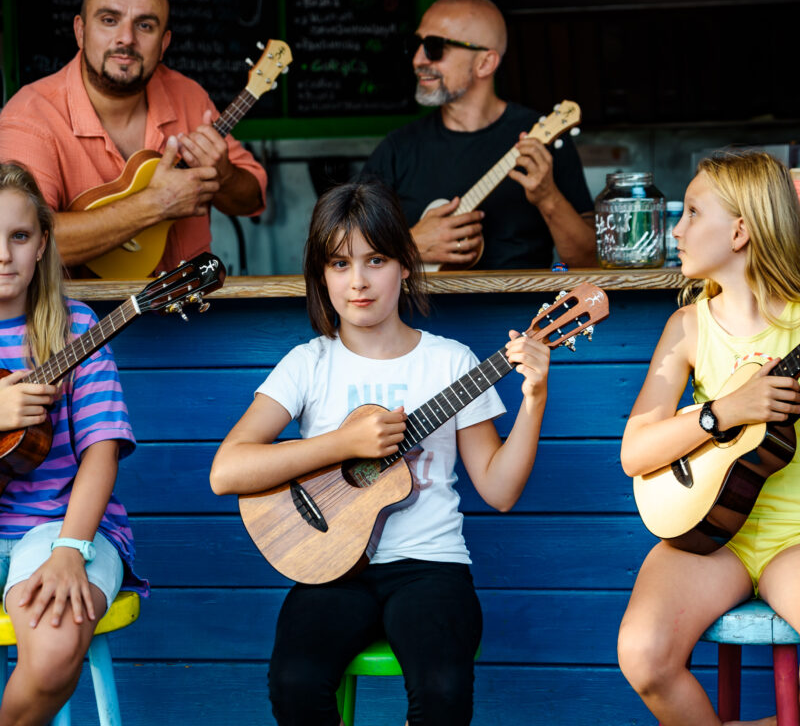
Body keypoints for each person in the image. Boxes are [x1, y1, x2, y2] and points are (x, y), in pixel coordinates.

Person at [209, 179, 550, 724]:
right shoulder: (309, 364)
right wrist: (342, 443)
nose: (359, 282)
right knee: (294, 683)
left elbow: (500, 489)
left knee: (441, 689)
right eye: (340, 265)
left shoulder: (452, 363)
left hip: (431, 567)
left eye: (377, 260)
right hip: (331, 568)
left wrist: (533, 399)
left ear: (405, 265)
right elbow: (227, 471)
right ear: (322, 275)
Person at [616, 150, 800, 726]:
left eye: (693, 212)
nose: (676, 228)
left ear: (741, 230)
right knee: (644, 656)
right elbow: (635, 453)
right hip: (712, 538)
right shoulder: (689, 327)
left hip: (795, 537)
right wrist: (721, 411)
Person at [0, 0, 267, 276]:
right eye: (109, 20)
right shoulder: (30, 115)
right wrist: (155, 204)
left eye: (145, 26)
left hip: (191, 306)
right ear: (81, 32)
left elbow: (251, 200)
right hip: (86, 317)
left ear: (164, 43)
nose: (126, 39)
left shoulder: (188, 96)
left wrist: (224, 174)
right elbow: (20, 240)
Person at [0, 162, 146, 725]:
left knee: (57, 646)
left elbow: (101, 454)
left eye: (19, 236)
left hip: (62, 527)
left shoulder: (75, 330)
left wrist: (70, 550)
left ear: (41, 246)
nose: (5, 254)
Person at [361, 0, 596, 271]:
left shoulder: (542, 141)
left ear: (485, 63)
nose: (417, 59)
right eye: (415, 45)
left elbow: (589, 262)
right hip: (420, 315)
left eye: (434, 47)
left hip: (525, 313)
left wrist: (548, 198)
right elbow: (338, 249)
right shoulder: (398, 149)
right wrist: (408, 246)